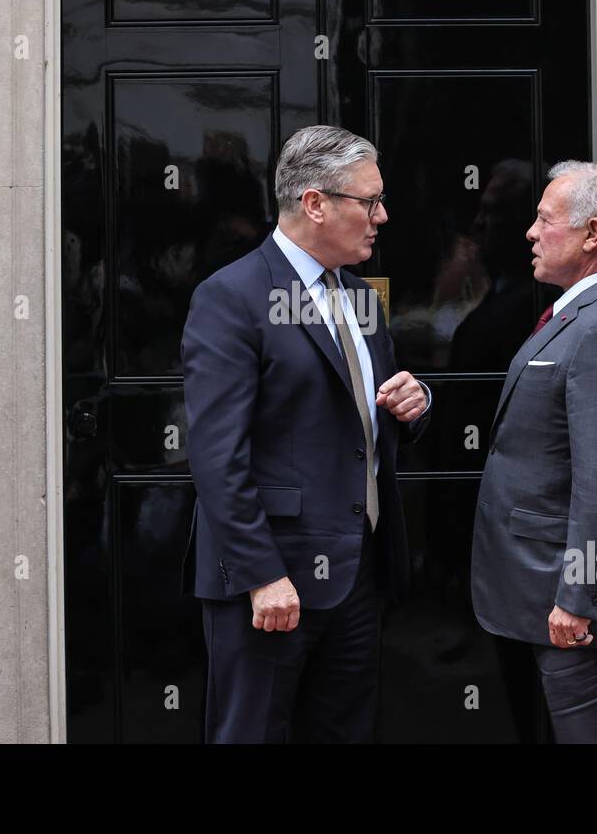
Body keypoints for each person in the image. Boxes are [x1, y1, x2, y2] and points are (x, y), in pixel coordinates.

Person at [182, 124, 431, 743]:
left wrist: (415, 403)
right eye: (369, 201)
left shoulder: (362, 298)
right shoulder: (230, 297)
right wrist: (262, 575)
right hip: (271, 578)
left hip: (357, 572)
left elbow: (358, 422)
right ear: (315, 203)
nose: (383, 215)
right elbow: (217, 456)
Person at [470, 160, 597, 743]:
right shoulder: (584, 315)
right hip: (551, 596)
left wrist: (579, 600)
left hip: (581, 607)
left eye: (544, 219)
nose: (530, 232)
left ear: (593, 235)